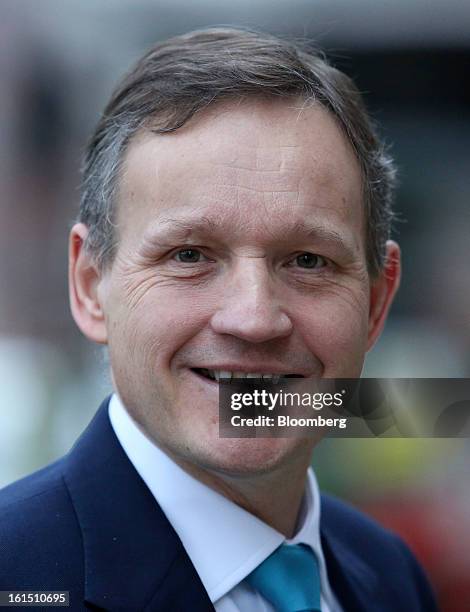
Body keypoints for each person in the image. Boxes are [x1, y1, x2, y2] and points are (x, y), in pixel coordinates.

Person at [0, 28, 438, 611]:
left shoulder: (389, 575)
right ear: (90, 288)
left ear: (377, 302)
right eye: (190, 255)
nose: (254, 319)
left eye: (308, 260)